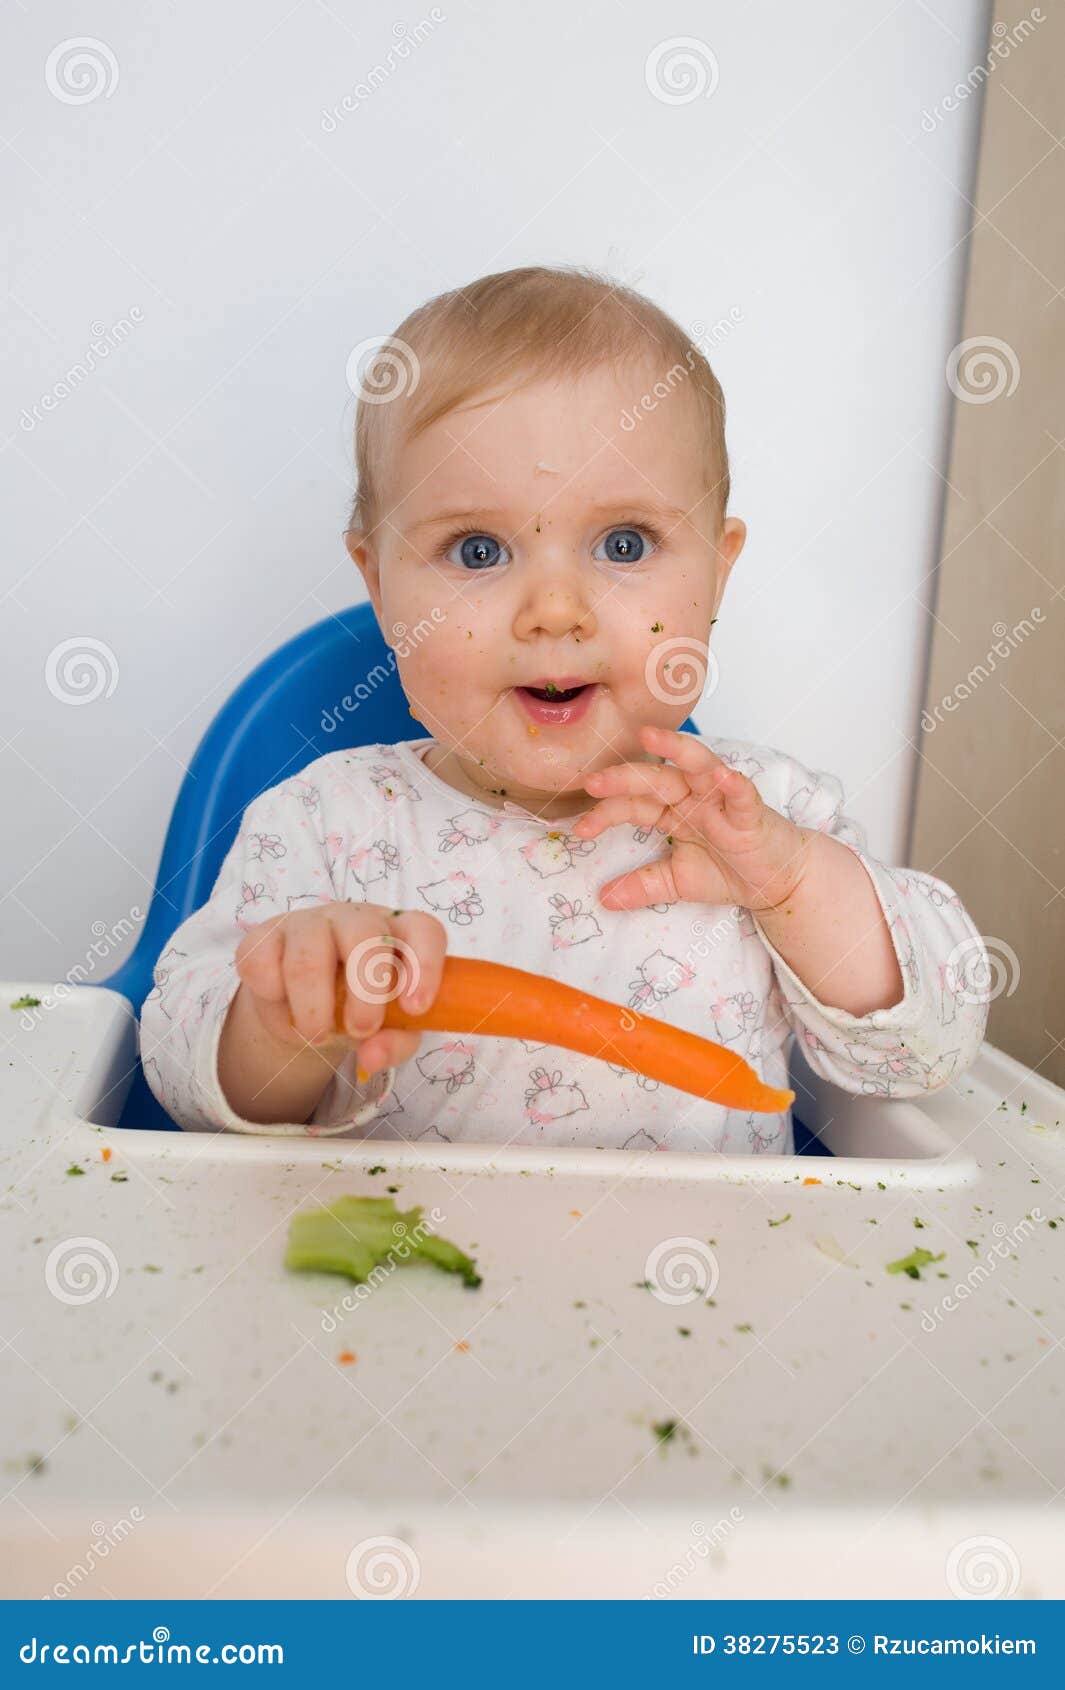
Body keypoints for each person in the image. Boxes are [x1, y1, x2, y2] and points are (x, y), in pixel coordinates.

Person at [140, 265, 988, 1152]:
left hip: (709, 1281)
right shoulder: (326, 824)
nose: (554, 609)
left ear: (715, 574)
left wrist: (786, 884)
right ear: (380, 585)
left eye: (624, 544)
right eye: (476, 550)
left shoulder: (763, 820)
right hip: (405, 1279)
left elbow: (925, 1055)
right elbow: (179, 1083)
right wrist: (286, 1023)